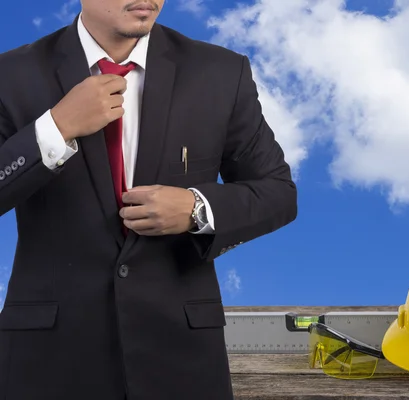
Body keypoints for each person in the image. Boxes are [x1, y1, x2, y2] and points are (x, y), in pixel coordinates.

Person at [0, 0, 297, 399]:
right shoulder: (10, 74)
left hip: (183, 357)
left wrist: (196, 209)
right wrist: (56, 128)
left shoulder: (221, 72)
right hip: (49, 357)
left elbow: (278, 193)